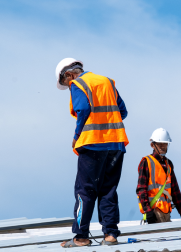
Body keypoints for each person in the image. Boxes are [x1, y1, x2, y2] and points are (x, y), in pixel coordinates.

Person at [55, 58, 129, 247]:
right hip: (115, 144)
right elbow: (123, 111)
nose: (68, 86)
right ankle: (110, 234)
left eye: (66, 82)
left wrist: (76, 136)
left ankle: (81, 237)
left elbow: (84, 110)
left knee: (85, 191)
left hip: (92, 145)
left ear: (69, 75)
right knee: (108, 190)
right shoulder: (107, 81)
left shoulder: (78, 83)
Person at [136, 128, 181, 223]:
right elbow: (141, 189)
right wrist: (148, 211)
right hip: (153, 211)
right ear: (152, 145)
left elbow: (175, 190)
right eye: (159, 144)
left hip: (166, 213)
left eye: (165, 143)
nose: (162, 146)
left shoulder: (168, 164)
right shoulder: (146, 162)